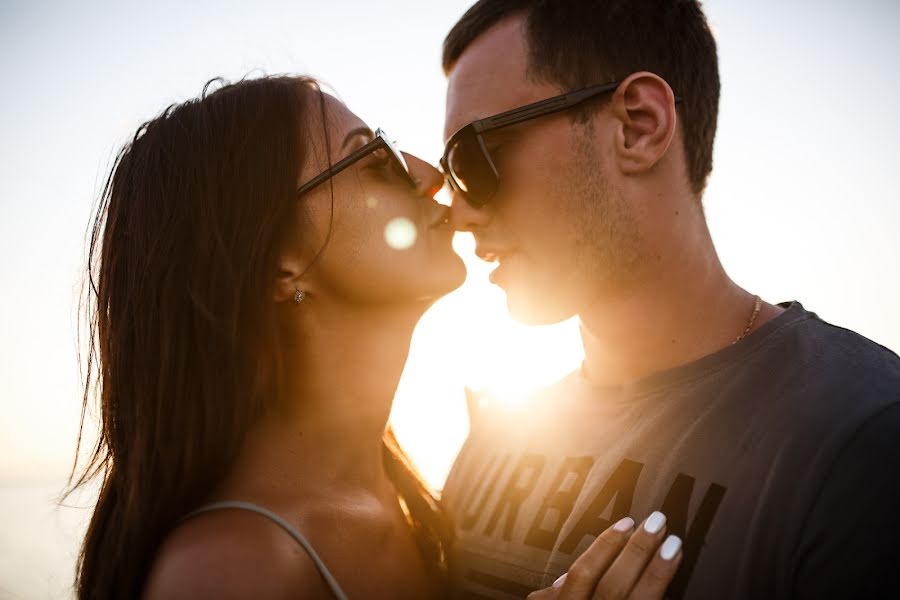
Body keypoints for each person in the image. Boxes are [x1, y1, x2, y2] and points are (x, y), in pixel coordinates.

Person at [68, 75, 682, 599]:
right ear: (282, 262)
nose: (428, 174)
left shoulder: (410, 500)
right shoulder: (231, 569)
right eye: (373, 159)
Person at [438, 1, 900, 599]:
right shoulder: (488, 446)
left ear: (639, 125)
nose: (461, 214)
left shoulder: (862, 443)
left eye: (476, 157)